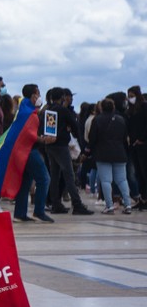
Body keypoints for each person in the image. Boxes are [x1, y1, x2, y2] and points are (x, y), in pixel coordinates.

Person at [42, 88, 91, 216]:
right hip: (61, 146)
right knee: (69, 175)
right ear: (62, 97)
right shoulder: (63, 110)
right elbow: (75, 125)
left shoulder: (48, 110)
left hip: (50, 146)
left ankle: (55, 204)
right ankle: (77, 204)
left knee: (55, 175)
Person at [12, 84, 54, 224]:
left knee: (26, 181)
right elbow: (28, 134)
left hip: (22, 151)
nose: (39, 96)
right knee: (44, 178)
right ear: (33, 95)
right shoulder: (29, 113)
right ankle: (39, 211)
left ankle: (20, 213)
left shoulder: (23, 109)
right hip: (29, 150)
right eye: (38, 93)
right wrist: (43, 139)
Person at [89, 98, 133, 215]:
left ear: (101, 107)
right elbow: (125, 137)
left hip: (103, 153)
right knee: (122, 179)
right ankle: (128, 204)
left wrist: (89, 150)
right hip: (119, 152)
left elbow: (92, 138)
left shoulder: (97, 120)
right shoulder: (120, 119)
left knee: (106, 180)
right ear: (113, 107)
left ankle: (109, 206)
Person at [127, 85, 147, 210]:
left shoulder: (144, 107)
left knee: (144, 172)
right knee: (138, 174)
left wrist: (142, 139)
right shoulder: (130, 109)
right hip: (133, 145)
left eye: (132, 96)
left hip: (143, 145)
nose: (130, 99)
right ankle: (142, 198)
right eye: (129, 97)